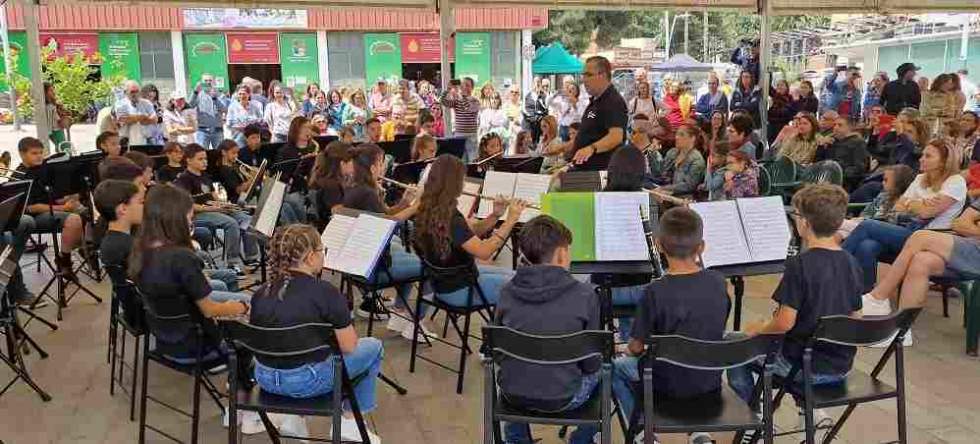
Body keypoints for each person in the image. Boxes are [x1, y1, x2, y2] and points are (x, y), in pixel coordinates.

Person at [727, 184, 862, 433]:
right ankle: (806, 411)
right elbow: (855, 317)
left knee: (733, 344)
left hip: (801, 367)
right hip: (839, 366)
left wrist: (758, 330)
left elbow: (784, 323)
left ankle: (754, 418)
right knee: (798, 341)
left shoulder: (800, 265)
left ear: (805, 223)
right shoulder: (851, 261)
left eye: (796, 215)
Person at [127, 183, 260, 431]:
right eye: (189, 216)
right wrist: (239, 308)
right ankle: (243, 411)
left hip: (165, 340)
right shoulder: (180, 257)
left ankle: (236, 383)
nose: (192, 221)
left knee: (239, 317)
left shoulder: (140, 249)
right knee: (249, 336)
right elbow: (209, 309)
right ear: (174, 219)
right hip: (195, 345)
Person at [249, 224, 384, 442]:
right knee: (374, 346)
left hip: (265, 378)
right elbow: (349, 347)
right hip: (306, 381)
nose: (324, 256)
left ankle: (295, 419)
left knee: (300, 349)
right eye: (323, 251)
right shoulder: (326, 293)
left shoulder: (261, 292)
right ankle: (349, 421)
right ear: (311, 257)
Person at [607, 207, 728, 444]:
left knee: (613, 369)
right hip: (708, 381)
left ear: (660, 246)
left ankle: (643, 433)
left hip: (666, 384)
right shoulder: (719, 282)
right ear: (701, 247)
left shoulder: (654, 291)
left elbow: (636, 348)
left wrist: (623, 349)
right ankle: (699, 433)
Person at [495, 215, 601, 444]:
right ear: (562, 253)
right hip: (565, 397)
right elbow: (591, 363)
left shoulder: (505, 291)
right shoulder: (585, 295)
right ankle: (581, 439)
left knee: (515, 368)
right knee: (609, 370)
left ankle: (516, 439)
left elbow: (498, 352)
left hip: (512, 395)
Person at [843, 140, 967, 295]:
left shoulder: (955, 182)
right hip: (907, 229)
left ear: (944, 162)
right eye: (922, 155)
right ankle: (863, 295)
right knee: (867, 246)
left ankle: (832, 267)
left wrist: (914, 204)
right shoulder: (920, 178)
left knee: (867, 225)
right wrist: (921, 203)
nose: (921, 159)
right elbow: (898, 206)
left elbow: (926, 213)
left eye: (928, 156)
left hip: (932, 238)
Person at [413, 154, 525, 310]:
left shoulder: (430, 209)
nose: (464, 184)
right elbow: (485, 252)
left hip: (445, 284)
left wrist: (496, 215)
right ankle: (504, 332)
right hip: (461, 290)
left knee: (516, 276)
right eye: (462, 179)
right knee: (525, 286)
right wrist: (511, 219)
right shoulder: (451, 218)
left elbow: (470, 233)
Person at [174, 144, 259, 270]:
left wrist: (225, 205)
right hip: (198, 214)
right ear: (188, 160)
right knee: (231, 224)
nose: (205, 162)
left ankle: (251, 257)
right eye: (200, 159)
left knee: (246, 218)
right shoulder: (183, 179)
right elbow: (188, 205)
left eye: (205, 159)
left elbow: (214, 197)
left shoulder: (205, 176)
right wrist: (211, 208)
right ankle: (232, 262)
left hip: (213, 209)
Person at [17, 137, 86, 277]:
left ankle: (84, 249)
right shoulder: (20, 176)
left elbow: (52, 195)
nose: (39, 156)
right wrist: (63, 208)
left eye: (41, 153)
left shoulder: (43, 169)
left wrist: (68, 199)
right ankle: (64, 261)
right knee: (74, 220)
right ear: (22, 154)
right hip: (33, 219)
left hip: (51, 209)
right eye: (34, 153)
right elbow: (32, 207)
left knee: (86, 212)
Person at [569, 56, 628, 171]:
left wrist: (591, 148)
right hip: (583, 169)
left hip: (598, 173)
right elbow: (588, 136)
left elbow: (616, 137)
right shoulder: (596, 101)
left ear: (603, 75)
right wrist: (563, 147)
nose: (584, 79)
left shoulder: (613, 101)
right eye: (583, 75)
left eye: (589, 75)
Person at [838, 165, 917, 240]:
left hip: (881, 230)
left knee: (840, 225)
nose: (882, 183)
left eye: (886, 180)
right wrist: (859, 219)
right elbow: (867, 214)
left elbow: (892, 223)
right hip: (864, 225)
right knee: (840, 232)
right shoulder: (883, 195)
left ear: (898, 183)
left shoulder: (907, 202)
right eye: (883, 180)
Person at [649, 124, 707, 198]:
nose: (677, 137)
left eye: (681, 135)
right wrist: (653, 154)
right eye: (676, 134)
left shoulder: (697, 160)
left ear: (692, 138)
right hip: (665, 191)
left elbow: (689, 186)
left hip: (683, 197)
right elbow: (660, 174)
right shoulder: (672, 152)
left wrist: (664, 189)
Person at [814, 116, 869, 191]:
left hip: (845, 182)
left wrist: (837, 174)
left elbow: (859, 168)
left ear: (849, 128)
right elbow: (817, 162)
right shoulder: (831, 141)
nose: (835, 128)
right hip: (824, 178)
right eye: (834, 125)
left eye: (840, 125)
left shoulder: (858, 143)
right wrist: (821, 147)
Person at [308, 141, 353, 223]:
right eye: (352, 161)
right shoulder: (332, 187)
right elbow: (339, 214)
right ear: (342, 163)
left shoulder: (323, 179)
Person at [440, 77, 482, 162]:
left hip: (471, 135)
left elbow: (467, 107)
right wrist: (448, 89)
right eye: (463, 85)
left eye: (468, 85)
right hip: (459, 134)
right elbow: (443, 102)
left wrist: (461, 95)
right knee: (460, 160)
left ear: (472, 88)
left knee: (473, 160)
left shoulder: (475, 101)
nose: (465, 88)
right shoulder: (457, 101)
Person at [189, 74, 227, 150]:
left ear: (214, 82)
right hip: (203, 130)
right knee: (202, 153)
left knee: (219, 153)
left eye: (210, 80)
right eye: (205, 81)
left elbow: (224, 109)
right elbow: (190, 105)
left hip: (217, 130)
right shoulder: (198, 94)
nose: (208, 82)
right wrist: (195, 92)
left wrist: (215, 98)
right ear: (201, 82)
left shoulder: (220, 94)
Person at [115, 80, 158, 146]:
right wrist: (143, 117)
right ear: (125, 92)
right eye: (132, 92)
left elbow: (155, 119)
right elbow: (124, 119)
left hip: (147, 141)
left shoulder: (146, 103)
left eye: (137, 91)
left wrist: (134, 118)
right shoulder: (120, 104)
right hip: (127, 141)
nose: (135, 94)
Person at [768, 79, 796, 144]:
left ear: (786, 87)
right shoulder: (775, 96)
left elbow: (787, 113)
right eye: (778, 85)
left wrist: (773, 110)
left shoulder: (789, 98)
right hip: (771, 126)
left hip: (782, 126)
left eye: (782, 85)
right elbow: (768, 87)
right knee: (771, 146)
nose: (779, 87)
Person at [523, 78, 549, 144]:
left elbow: (546, 109)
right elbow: (524, 109)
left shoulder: (544, 96)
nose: (537, 84)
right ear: (532, 84)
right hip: (530, 122)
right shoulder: (527, 96)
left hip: (540, 122)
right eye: (535, 82)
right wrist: (530, 117)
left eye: (538, 83)